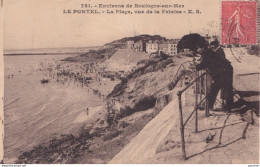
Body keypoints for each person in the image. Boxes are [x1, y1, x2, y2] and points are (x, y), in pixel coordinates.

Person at [195, 44, 233, 112]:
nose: (197, 50)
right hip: (222, 71)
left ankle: (227, 108)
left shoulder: (207, 53)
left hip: (224, 71)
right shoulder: (208, 52)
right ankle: (209, 106)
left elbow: (204, 64)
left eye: (198, 48)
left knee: (226, 89)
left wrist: (195, 67)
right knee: (214, 88)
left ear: (202, 48)